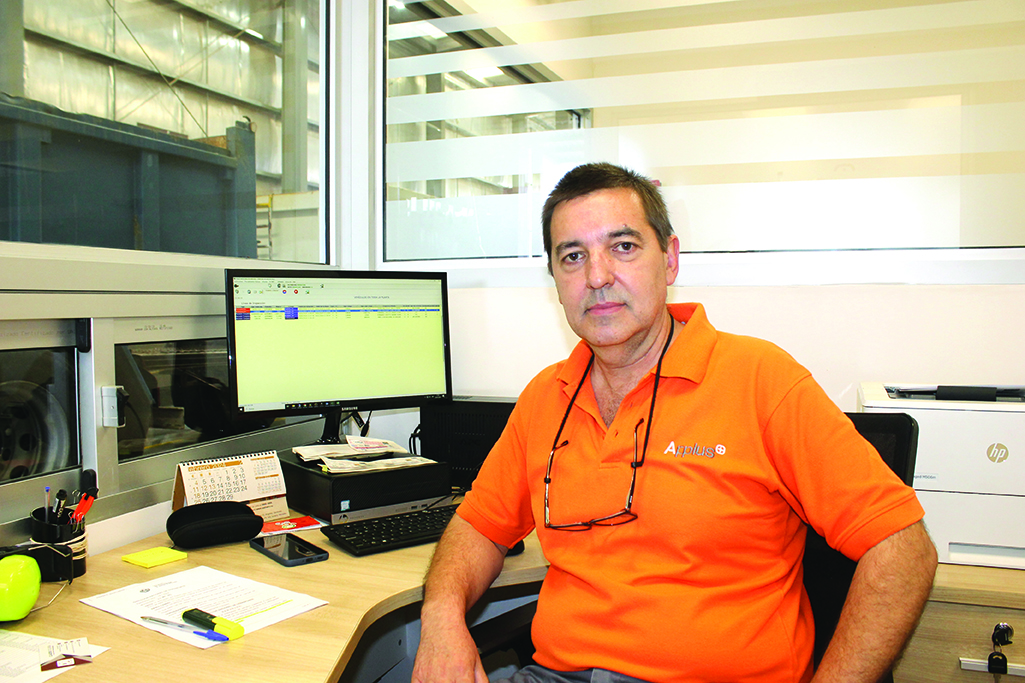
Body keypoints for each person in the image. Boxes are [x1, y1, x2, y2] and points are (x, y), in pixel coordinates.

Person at [412, 162, 937, 683]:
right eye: (573, 256)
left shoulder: (760, 380)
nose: (597, 277)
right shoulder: (547, 397)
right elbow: (478, 527)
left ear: (669, 259)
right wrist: (441, 617)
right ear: (556, 280)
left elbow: (902, 549)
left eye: (623, 246)